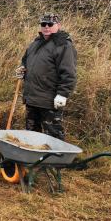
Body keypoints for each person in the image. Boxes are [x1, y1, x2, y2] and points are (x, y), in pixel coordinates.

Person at [16, 13, 77, 141]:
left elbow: (68, 73)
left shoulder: (63, 45)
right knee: (31, 135)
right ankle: (34, 159)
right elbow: (25, 61)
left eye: (50, 24)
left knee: (54, 136)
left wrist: (63, 94)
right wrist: (22, 69)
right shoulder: (35, 43)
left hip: (49, 100)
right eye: (43, 24)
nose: (46, 27)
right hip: (31, 98)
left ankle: (56, 160)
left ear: (58, 26)